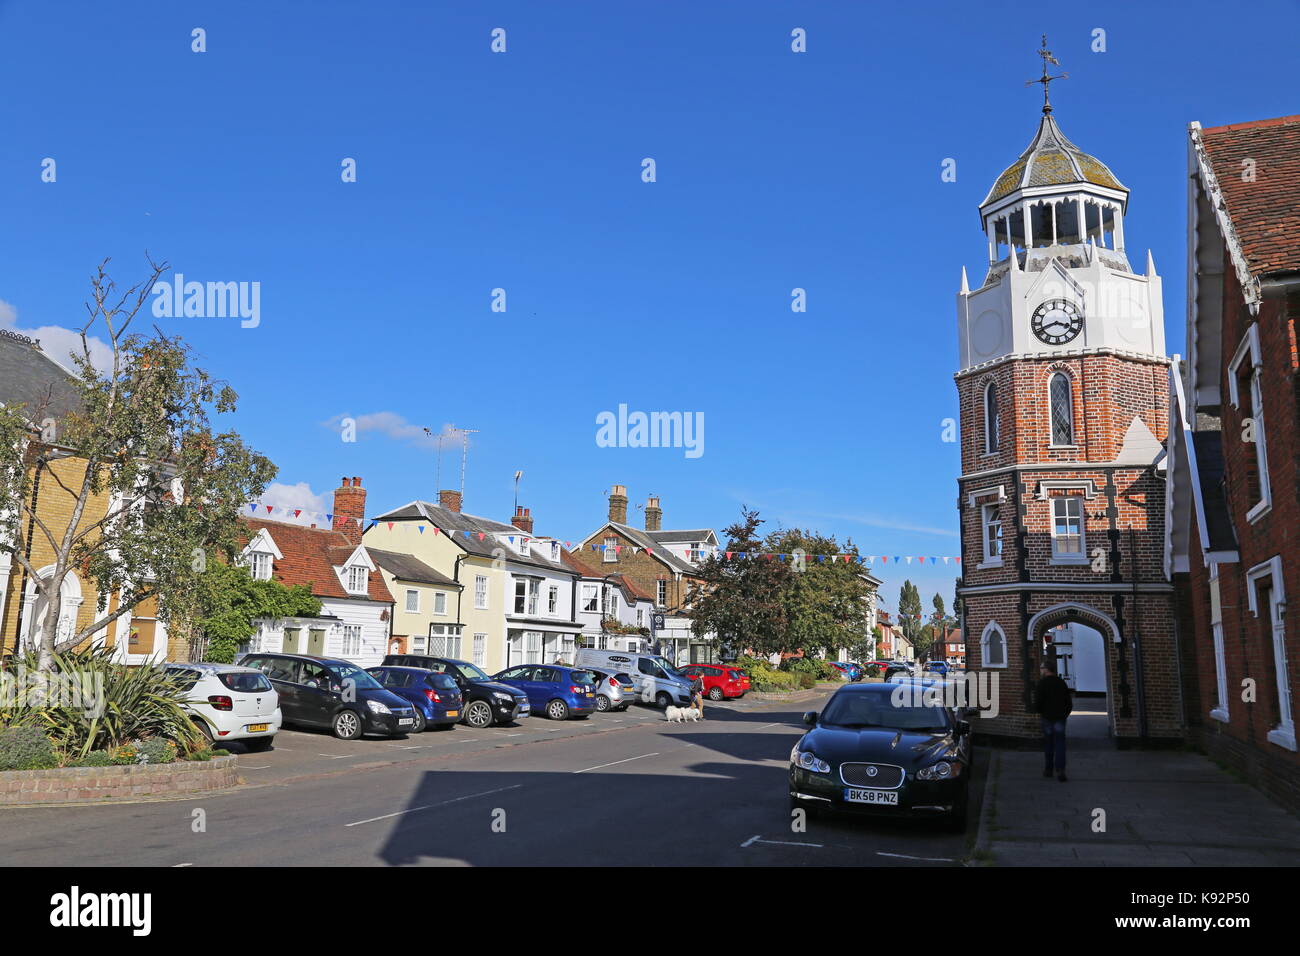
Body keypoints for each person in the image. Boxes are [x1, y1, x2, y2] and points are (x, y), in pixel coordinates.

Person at [1034, 660, 1072, 782]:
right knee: (1060, 744)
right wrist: (1065, 714)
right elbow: (1068, 702)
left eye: (1041, 668)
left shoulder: (1042, 683)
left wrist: (1041, 712)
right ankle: (1060, 770)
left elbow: (1038, 701)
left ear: (1046, 669)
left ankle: (1048, 770)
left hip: (1047, 717)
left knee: (1049, 744)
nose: (1040, 671)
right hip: (1060, 717)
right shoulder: (1061, 683)